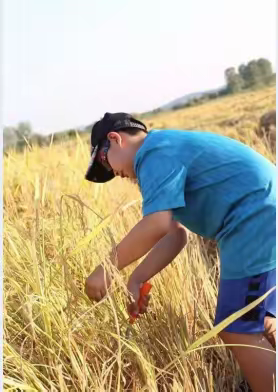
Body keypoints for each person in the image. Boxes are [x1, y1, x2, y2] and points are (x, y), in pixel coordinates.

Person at [84, 112, 276, 392]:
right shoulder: (164, 150)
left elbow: (157, 223)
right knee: (259, 319)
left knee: (237, 325)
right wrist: (136, 279)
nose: (114, 174)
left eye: (105, 163)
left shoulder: (154, 153)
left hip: (254, 217)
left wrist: (105, 270)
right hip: (259, 215)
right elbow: (175, 233)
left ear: (115, 139)